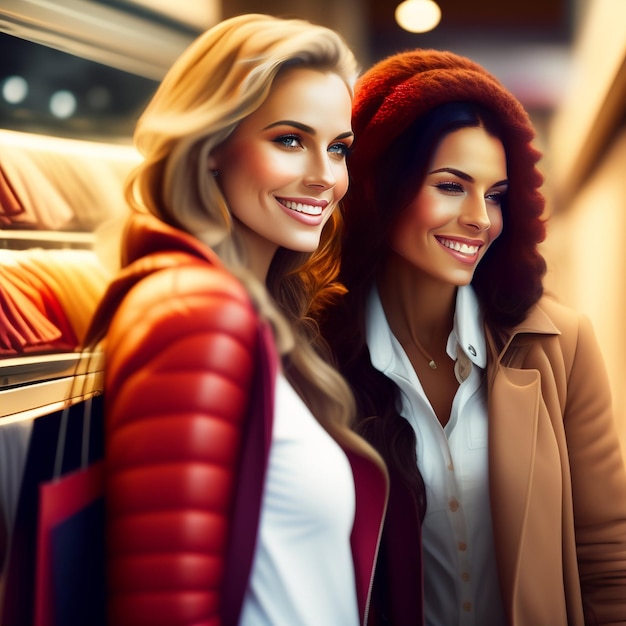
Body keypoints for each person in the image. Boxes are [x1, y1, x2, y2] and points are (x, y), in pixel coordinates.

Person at [83, 13, 388, 626]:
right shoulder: (194, 317)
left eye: (338, 148)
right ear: (213, 145)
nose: (325, 177)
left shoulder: (254, 313)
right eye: (289, 140)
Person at [321, 48, 626, 625]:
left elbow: (607, 559)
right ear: (380, 187)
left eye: (494, 194)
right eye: (451, 185)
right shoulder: (315, 355)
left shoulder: (561, 343)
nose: (481, 219)